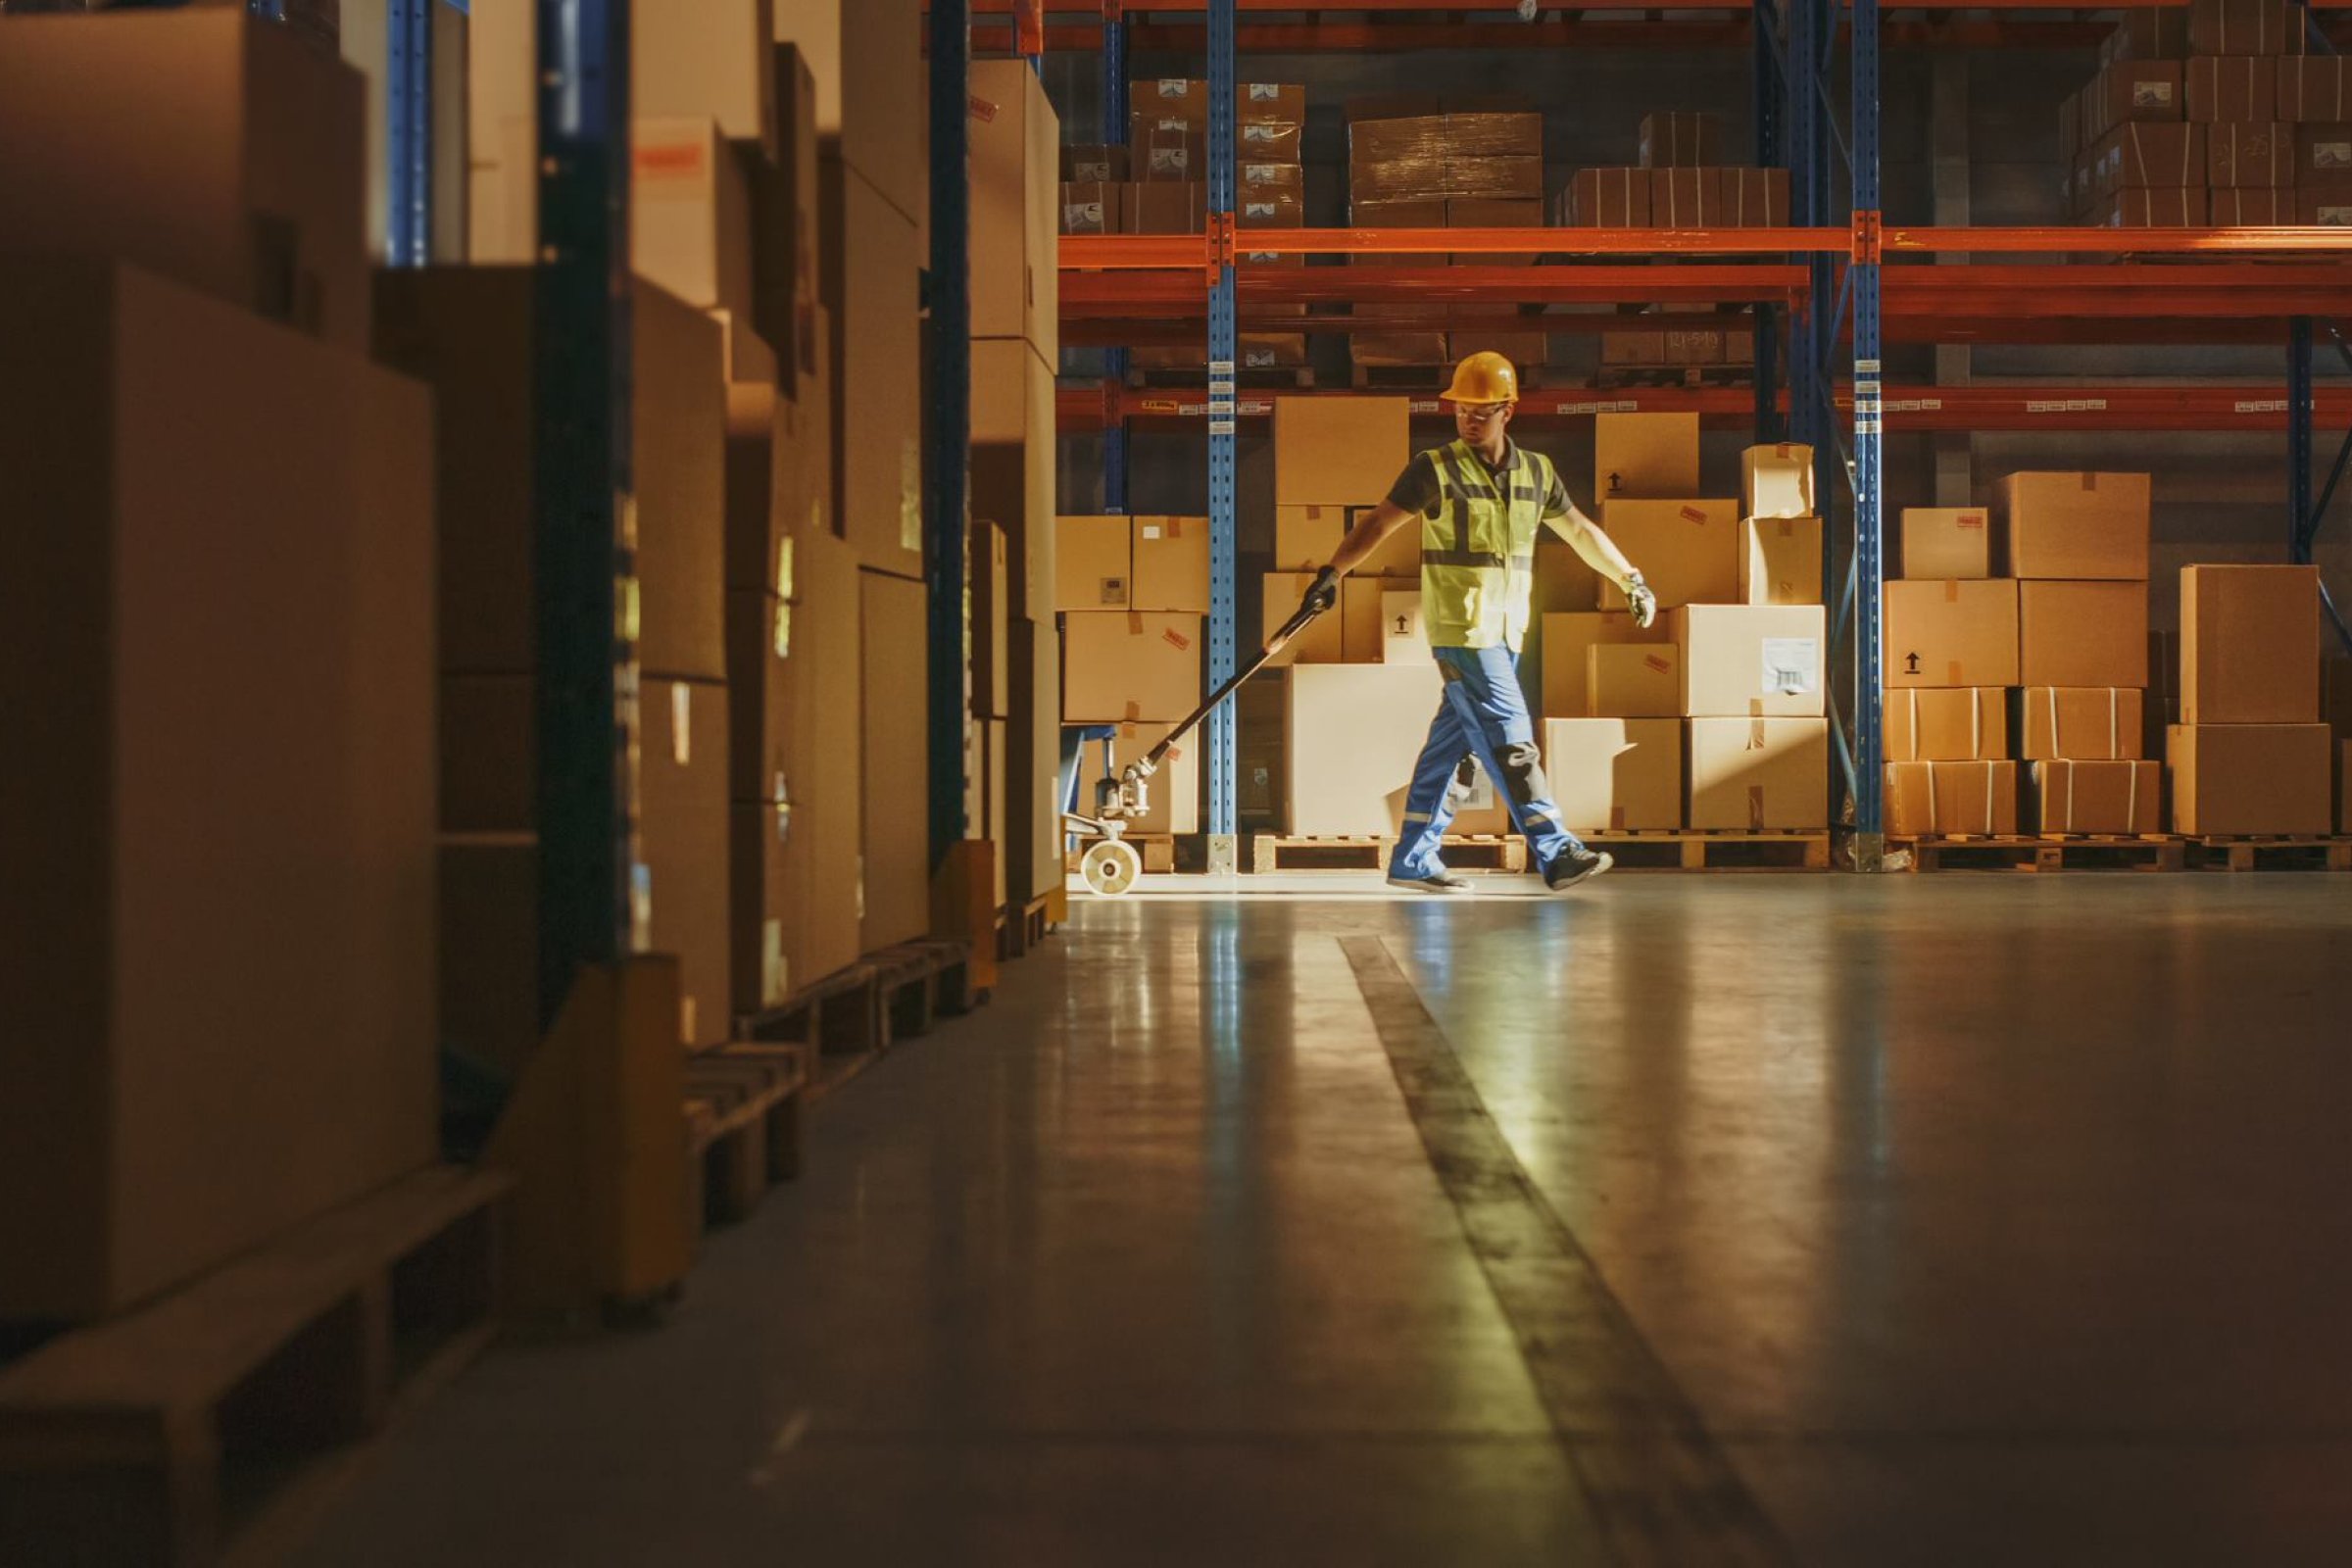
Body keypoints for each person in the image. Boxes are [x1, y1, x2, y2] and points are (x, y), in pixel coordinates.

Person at [1303, 351, 1657, 895]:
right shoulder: (1434, 468)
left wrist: (1630, 577)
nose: (1468, 420)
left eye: (1481, 411)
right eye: (1461, 410)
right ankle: (1556, 847)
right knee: (1512, 741)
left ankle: (1414, 859)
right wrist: (1332, 572)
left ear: (1507, 411)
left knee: (1455, 748)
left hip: (1508, 632)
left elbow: (1581, 532)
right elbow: (1378, 522)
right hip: (1462, 633)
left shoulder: (1538, 473)